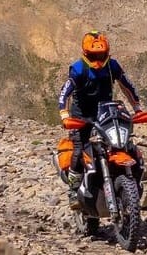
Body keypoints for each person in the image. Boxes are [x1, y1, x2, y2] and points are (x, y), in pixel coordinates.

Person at [58, 32, 141, 190]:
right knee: (78, 150)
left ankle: (133, 182)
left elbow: (127, 86)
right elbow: (65, 93)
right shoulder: (79, 69)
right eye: (94, 55)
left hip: (106, 112)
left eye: (101, 54)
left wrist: (136, 107)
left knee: (125, 145)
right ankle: (74, 189)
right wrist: (64, 114)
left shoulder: (112, 66)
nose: (98, 58)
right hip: (81, 116)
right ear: (86, 53)